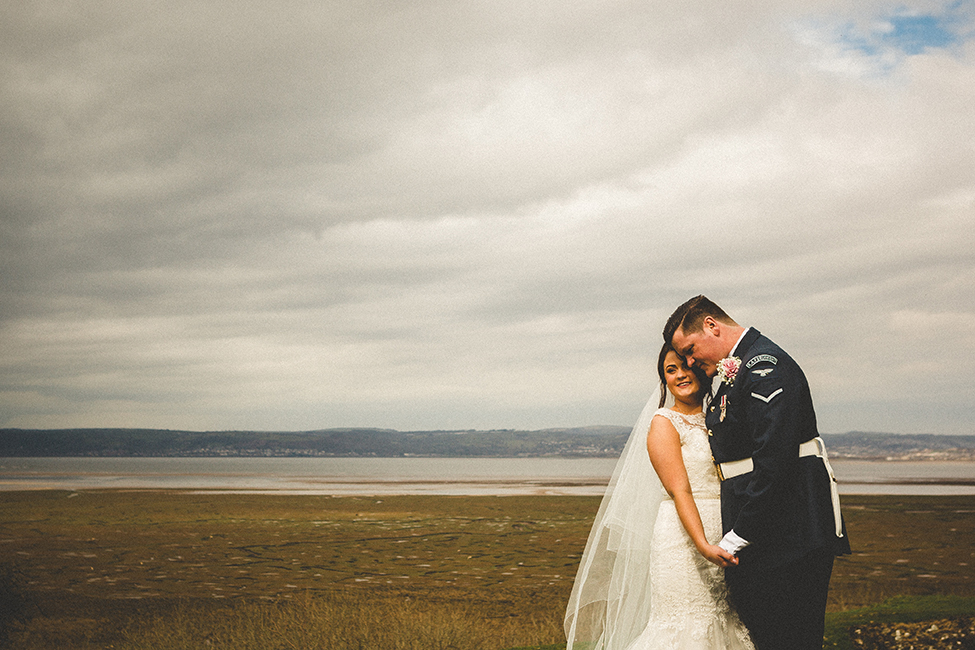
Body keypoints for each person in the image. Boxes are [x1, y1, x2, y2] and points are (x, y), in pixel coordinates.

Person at [665, 295, 851, 650]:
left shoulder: (765, 365)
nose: (689, 361)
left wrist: (738, 535)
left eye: (689, 349)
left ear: (711, 325)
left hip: (788, 532)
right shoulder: (736, 368)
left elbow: (774, 459)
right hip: (771, 533)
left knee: (790, 638)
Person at [564, 341, 755, 650]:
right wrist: (702, 544)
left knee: (721, 618)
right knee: (684, 625)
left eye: (686, 366)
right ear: (664, 379)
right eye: (670, 370)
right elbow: (679, 489)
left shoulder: (718, 419)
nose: (680, 375)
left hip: (724, 531)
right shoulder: (664, 423)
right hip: (682, 538)